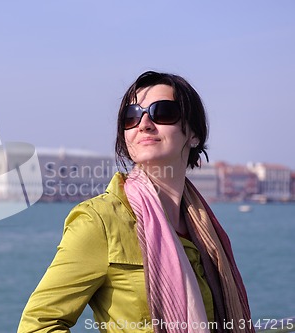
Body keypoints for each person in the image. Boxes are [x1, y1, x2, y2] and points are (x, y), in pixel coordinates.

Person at [17, 71, 254, 333]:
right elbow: (38, 325)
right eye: (131, 117)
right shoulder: (99, 221)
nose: (144, 124)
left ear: (194, 134)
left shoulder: (206, 231)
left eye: (162, 112)